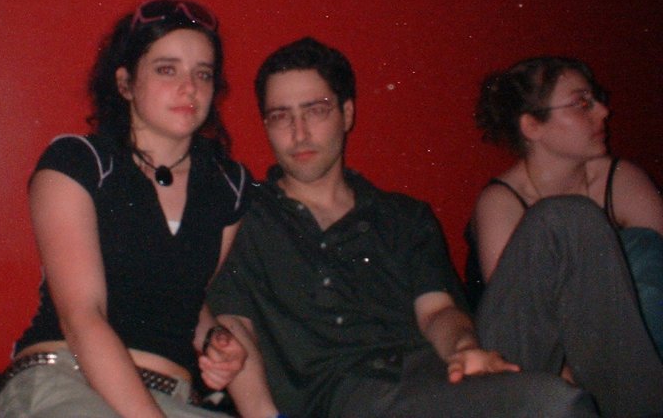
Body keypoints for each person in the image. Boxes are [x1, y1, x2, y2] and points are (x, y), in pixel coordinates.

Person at [207, 37, 607, 418]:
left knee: (567, 218)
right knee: (554, 404)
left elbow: (437, 312)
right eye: (281, 117)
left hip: (436, 377)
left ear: (347, 114)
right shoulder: (244, 215)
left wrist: (463, 348)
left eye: (316, 110)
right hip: (350, 396)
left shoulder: (402, 216)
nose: (299, 133)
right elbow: (233, 325)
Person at [0, 0, 250, 418]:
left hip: (173, 395)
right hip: (65, 377)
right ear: (125, 83)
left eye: (202, 73)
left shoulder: (227, 185)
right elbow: (83, 318)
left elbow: (185, 301)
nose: (190, 87)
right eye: (167, 69)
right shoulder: (79, 163)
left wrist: (215, 342)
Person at [466, 56, 663, 358]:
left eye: (596, 99)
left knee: (642, 246)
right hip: (535, 355)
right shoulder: (502, 202)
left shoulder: (618, 178)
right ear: (532, 126)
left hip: (622, 347)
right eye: (581, 103)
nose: (604, 111)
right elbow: (522, 319)